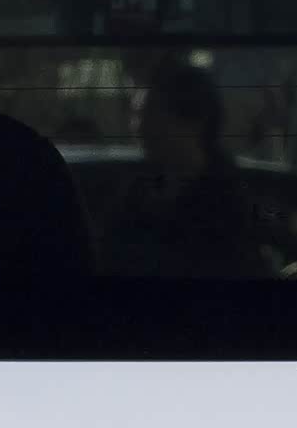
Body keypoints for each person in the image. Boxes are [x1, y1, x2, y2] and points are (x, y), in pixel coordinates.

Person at [99, 55, 266, 277]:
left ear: (195, 120)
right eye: (136, 115)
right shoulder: (137, 189)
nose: (139, 127)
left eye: (153, 115)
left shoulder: (228, 199)